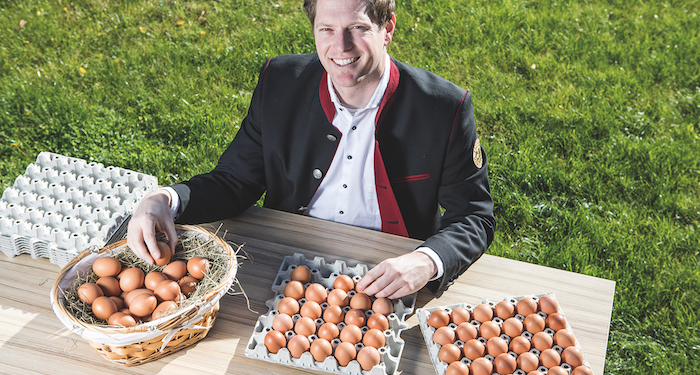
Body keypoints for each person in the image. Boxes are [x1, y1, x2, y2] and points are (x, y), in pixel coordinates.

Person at [127, 0, 495, 299]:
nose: (341, 47)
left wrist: (426, 261)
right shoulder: (280, 82)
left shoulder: (444, 108)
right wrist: (165, 200)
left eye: (358, 28)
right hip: (284, 259)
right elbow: (234, 181)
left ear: (388, 29)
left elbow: (474, 216)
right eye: (327, 30)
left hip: (391, 274)